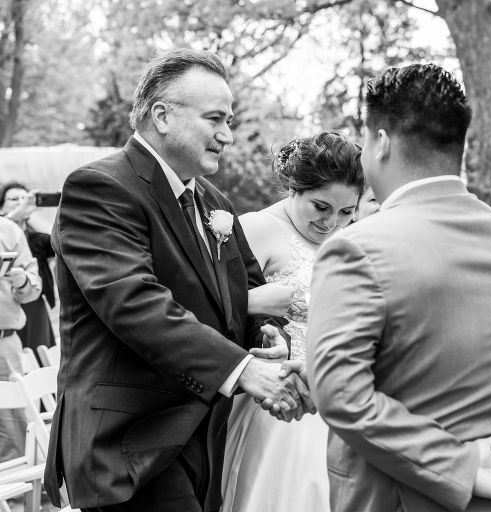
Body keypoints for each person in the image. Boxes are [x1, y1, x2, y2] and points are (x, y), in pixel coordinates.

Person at [43, 49, 312, 512]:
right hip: (129, 444)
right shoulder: (100, 187)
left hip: (205, 437)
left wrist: (269, 339)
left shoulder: (214, 202)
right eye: (215, 119)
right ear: (162, 115)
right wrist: (245, 371)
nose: (227, 135)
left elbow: (243, 294)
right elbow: (135, 302)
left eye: (229, 120)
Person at [308, 63, 491, 512]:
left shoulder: (356, 247)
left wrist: (459, 466)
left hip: (420, 494)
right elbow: (449, 359)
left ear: (381, 142)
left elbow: (344, 396)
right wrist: (313, 367)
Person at [221, 132, 364, 512]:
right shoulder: (258, 228)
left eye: (347, 212)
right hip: (274, 401)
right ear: (294, 187)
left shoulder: (346, 240)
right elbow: (208, 306)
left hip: (332, 396)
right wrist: (250, 304)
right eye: (321, 207)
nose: (332, 222)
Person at [0, 215, 42, 461]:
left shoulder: (7, 230)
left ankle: (19, 487)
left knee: (12, 428)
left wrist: (23, 281)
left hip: (3, 344)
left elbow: (33, 287)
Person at [0, 182, 57, 354]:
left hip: (31, 302)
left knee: (40, 354)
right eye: (14, 199)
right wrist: (16, 214)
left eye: (25, 198)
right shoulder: (6, 229)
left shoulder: (37, 238)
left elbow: (62, 241)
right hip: (9, 307)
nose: (21, 202)